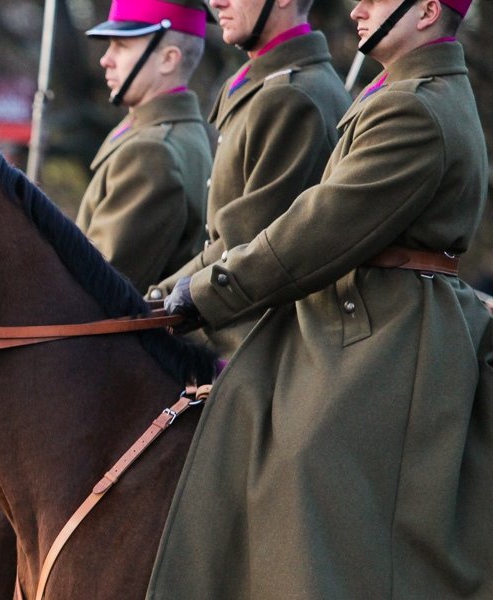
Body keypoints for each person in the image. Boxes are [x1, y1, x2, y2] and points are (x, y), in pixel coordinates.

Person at [153, 0, 492, 596]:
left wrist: (206, 293)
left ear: (428, 11)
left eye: (376, 0)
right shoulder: (406, 93)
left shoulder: (415, 107)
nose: (357, 8)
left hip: (388, 332)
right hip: (371, 314)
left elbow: (319, 228)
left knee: (303, 462)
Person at [148, 0, 349, 356]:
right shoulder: (268, 85)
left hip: (257, 341)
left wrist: (154, 300)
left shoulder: (291, 95)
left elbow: (243, 244)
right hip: (231, 319)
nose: (216, 3)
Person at [75, 0, 213, 292]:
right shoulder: (173, 132)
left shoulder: (151, 153)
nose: (105, 59)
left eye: (121, 46)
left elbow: (94, 286)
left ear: (168, 59)